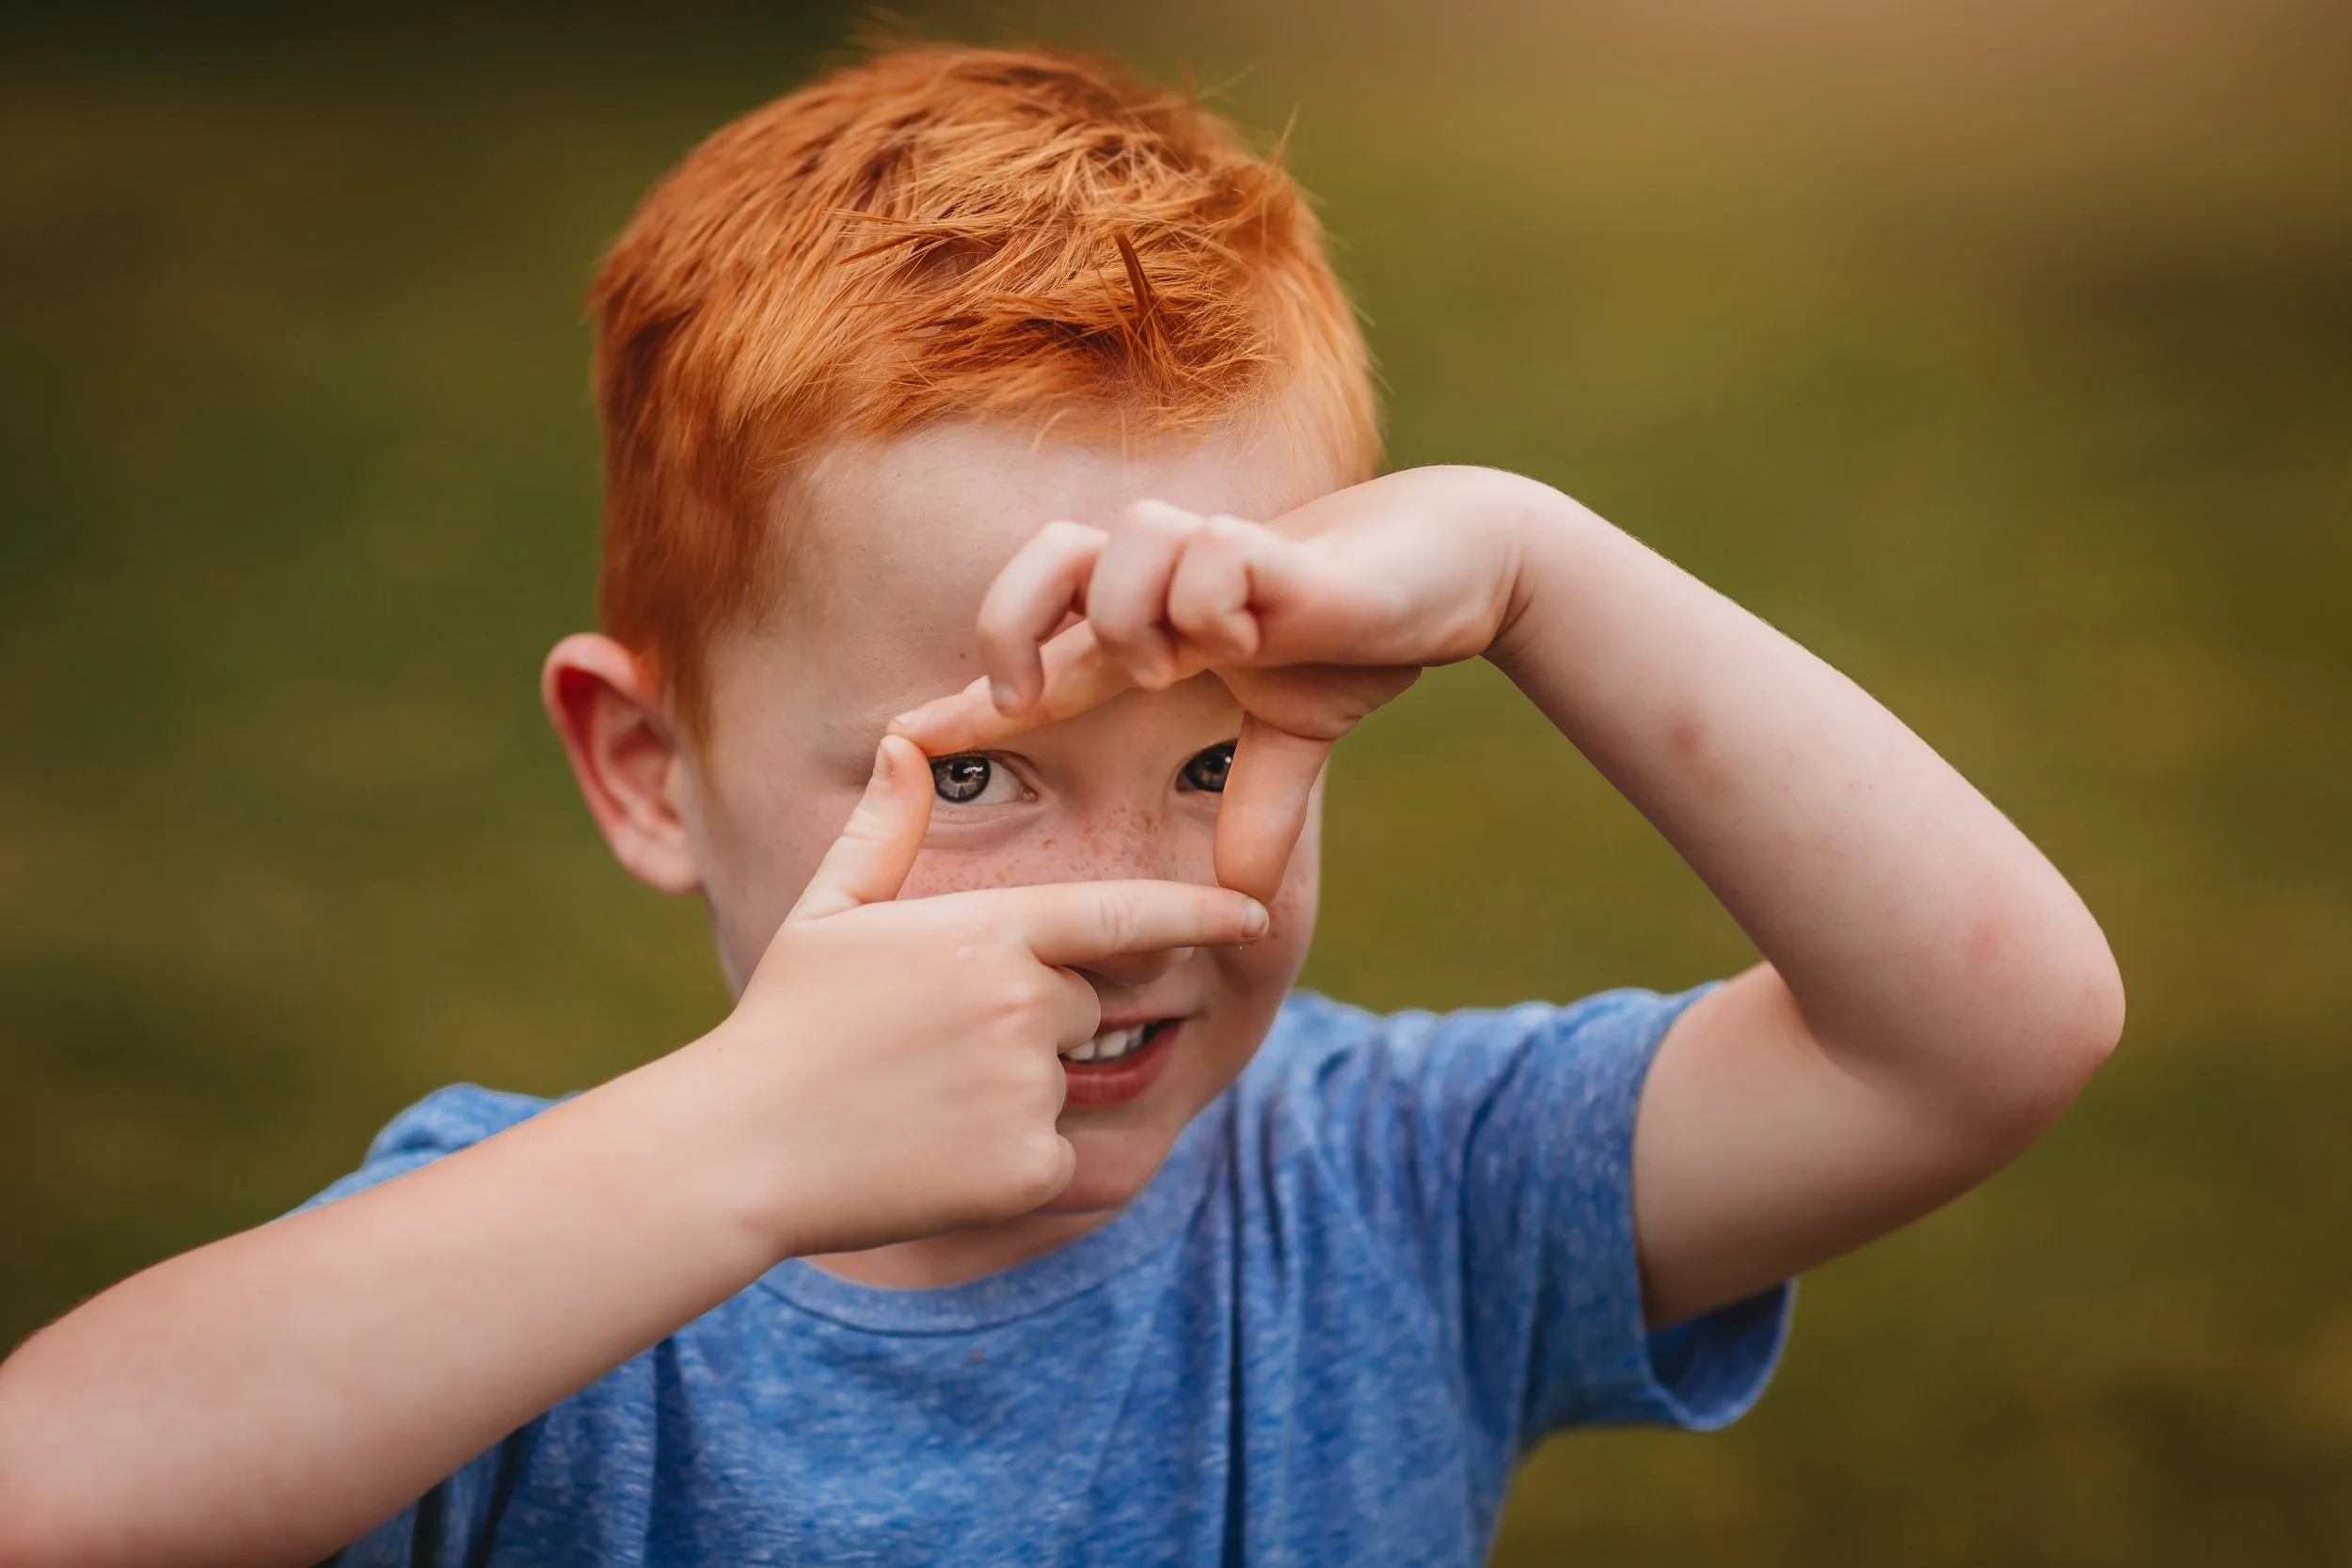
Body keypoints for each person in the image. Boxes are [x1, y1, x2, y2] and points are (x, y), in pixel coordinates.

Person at [0, 41, 2124, 1568]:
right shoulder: (534, 1273)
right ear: (649, 768)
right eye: (981, 770)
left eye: (1211, 763)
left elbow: (1982, 1026)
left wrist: (1532, 558)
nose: (1131, 902)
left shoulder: (1403, 1191)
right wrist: (740, 1148)